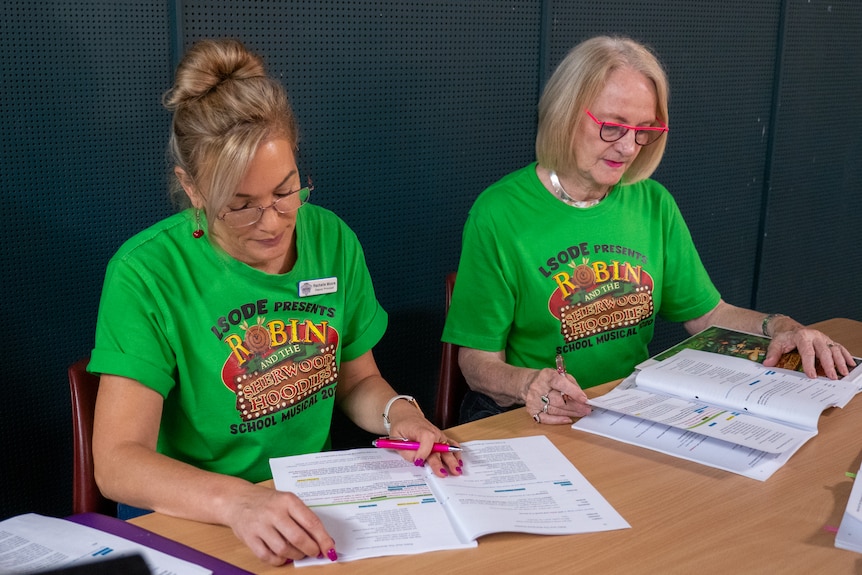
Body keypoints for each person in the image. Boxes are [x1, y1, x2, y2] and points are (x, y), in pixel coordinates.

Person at [89, 38, 460, 567]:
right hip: (192, 517)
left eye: (286, 191)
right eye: (240, 206)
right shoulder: (145, 274)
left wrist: (398, 412)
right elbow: (119, 464)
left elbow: (356, 380)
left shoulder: (330, 238)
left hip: (309, 498)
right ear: (193, 190)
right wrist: (238, 501)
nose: (273, 222)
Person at [441, 35, 855, 425]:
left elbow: (708, 314)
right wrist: (529, 383)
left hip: (621, 408)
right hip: (525, 416)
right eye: (613, 125)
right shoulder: (499, 213)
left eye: (644, 130)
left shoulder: (653, 203)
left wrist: (782, 327)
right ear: (565, 113)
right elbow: (476, 365)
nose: (628, 147)